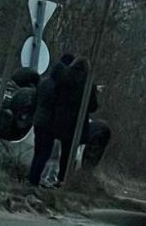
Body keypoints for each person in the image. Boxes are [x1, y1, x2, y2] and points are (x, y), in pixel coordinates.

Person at [28, 54, 74, 186]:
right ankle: (34, 181)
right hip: (49, 124)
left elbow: (35, 99)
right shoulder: (60, 88)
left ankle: (32, 178)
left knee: (37, 151)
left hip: (38, 120)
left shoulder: (44, 82)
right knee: (44, 153)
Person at [51, 57, 99, 184]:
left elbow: (56, 94)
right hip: (78, 122)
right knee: (71, 153)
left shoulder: (64, 77)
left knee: (61, 150)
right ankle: (65, 178)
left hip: (61, 120)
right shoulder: (88, 83)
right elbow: (93, 106)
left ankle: (57, 177)